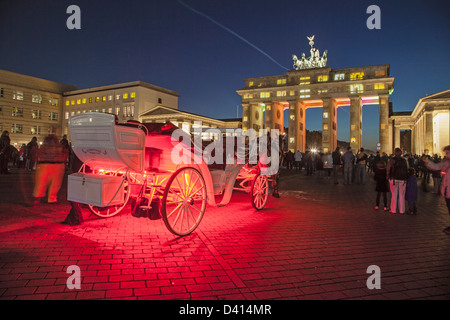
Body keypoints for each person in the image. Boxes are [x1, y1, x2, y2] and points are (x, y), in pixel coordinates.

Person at [29, 134, 69, 206]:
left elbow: (37, 154)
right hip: (52, 164)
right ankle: (47, 198)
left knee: (47, 183)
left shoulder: (45, 147)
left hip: (49, 164)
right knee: (47, 183)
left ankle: (41, 198)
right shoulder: (56, 147)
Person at [424, 145, 450, 234]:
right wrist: (427, 161)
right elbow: (436, 166)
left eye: (447, 153)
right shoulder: (447, 163)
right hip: (448, 191)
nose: (446, 155)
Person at [387, 147, 409, 214]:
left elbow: (388, 169)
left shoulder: (392, 160)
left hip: (394, 179)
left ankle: (393, 209)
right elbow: (407, 169)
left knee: (394, 194)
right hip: (403, 179)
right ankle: (401, 210)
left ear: (394, 153)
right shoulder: (405, 160)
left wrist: (387, 176)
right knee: (402, 195)